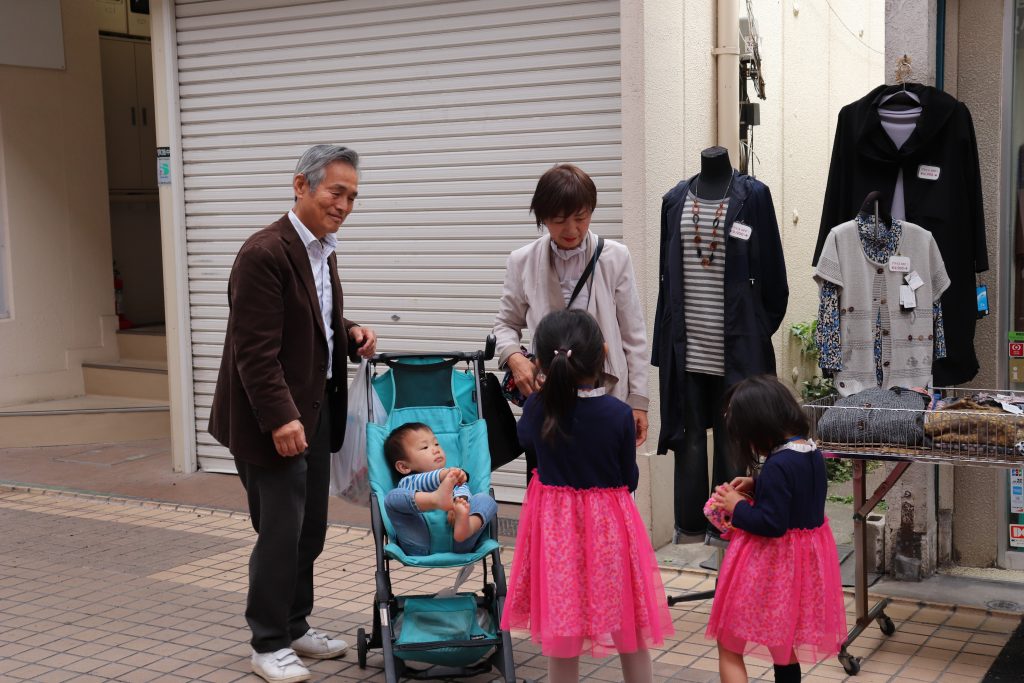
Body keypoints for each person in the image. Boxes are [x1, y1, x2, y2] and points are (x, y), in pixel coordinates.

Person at [208, 145, 377, 683]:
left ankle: (295, 624)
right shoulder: (264, 253)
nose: (344, 205)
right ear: (301, 185)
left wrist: (349, 332)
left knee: (310, 530)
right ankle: (267, 643)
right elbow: (254, 351)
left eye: (352, 196)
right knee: (281, 532)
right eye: (336, 192)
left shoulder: (322, 248)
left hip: (315, 411)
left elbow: (313, 317)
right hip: (272, 420)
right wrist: (281, 419)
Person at [501, 309, 673, 683]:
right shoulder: (618, 414)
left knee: (563, 629)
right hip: (609, 530)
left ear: (540, 362)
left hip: (556, 536)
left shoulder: (538, 408)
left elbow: (525, 439)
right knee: (628, 622)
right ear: (604, 352)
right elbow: (629, 479)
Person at [493, 163, 649, 458]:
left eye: (581, 217)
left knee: (605, 477)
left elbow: (633, 334)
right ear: (543, 217)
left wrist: (638, 400)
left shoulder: (615, 257)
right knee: (548, 478)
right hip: (548, 399)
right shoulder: (522, 261)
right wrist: (515, 358)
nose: (572, 229)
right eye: (559, 220)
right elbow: (505, 324)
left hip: (605, 396)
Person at [705, 375, 847, 683]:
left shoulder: (777, 465)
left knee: (728, 645)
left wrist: (736, 505)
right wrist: (757, 485)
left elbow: (771, 523)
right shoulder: (810, 452)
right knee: (782, 647)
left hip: (769, 570)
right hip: (795, 573)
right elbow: (796, 498)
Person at [382, 422, 498, 555]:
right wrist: (444, 475)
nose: (435, 449)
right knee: (392, 498)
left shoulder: (452, 477)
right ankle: (435, 499)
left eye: (436, 444)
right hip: (419, 543)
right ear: (404, 467)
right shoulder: (407, 482)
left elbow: (462, 488)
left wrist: (460, 503)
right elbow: (424, 481)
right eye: (425, 447)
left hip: (459, 541)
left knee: (485, 499)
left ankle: (468, 526)